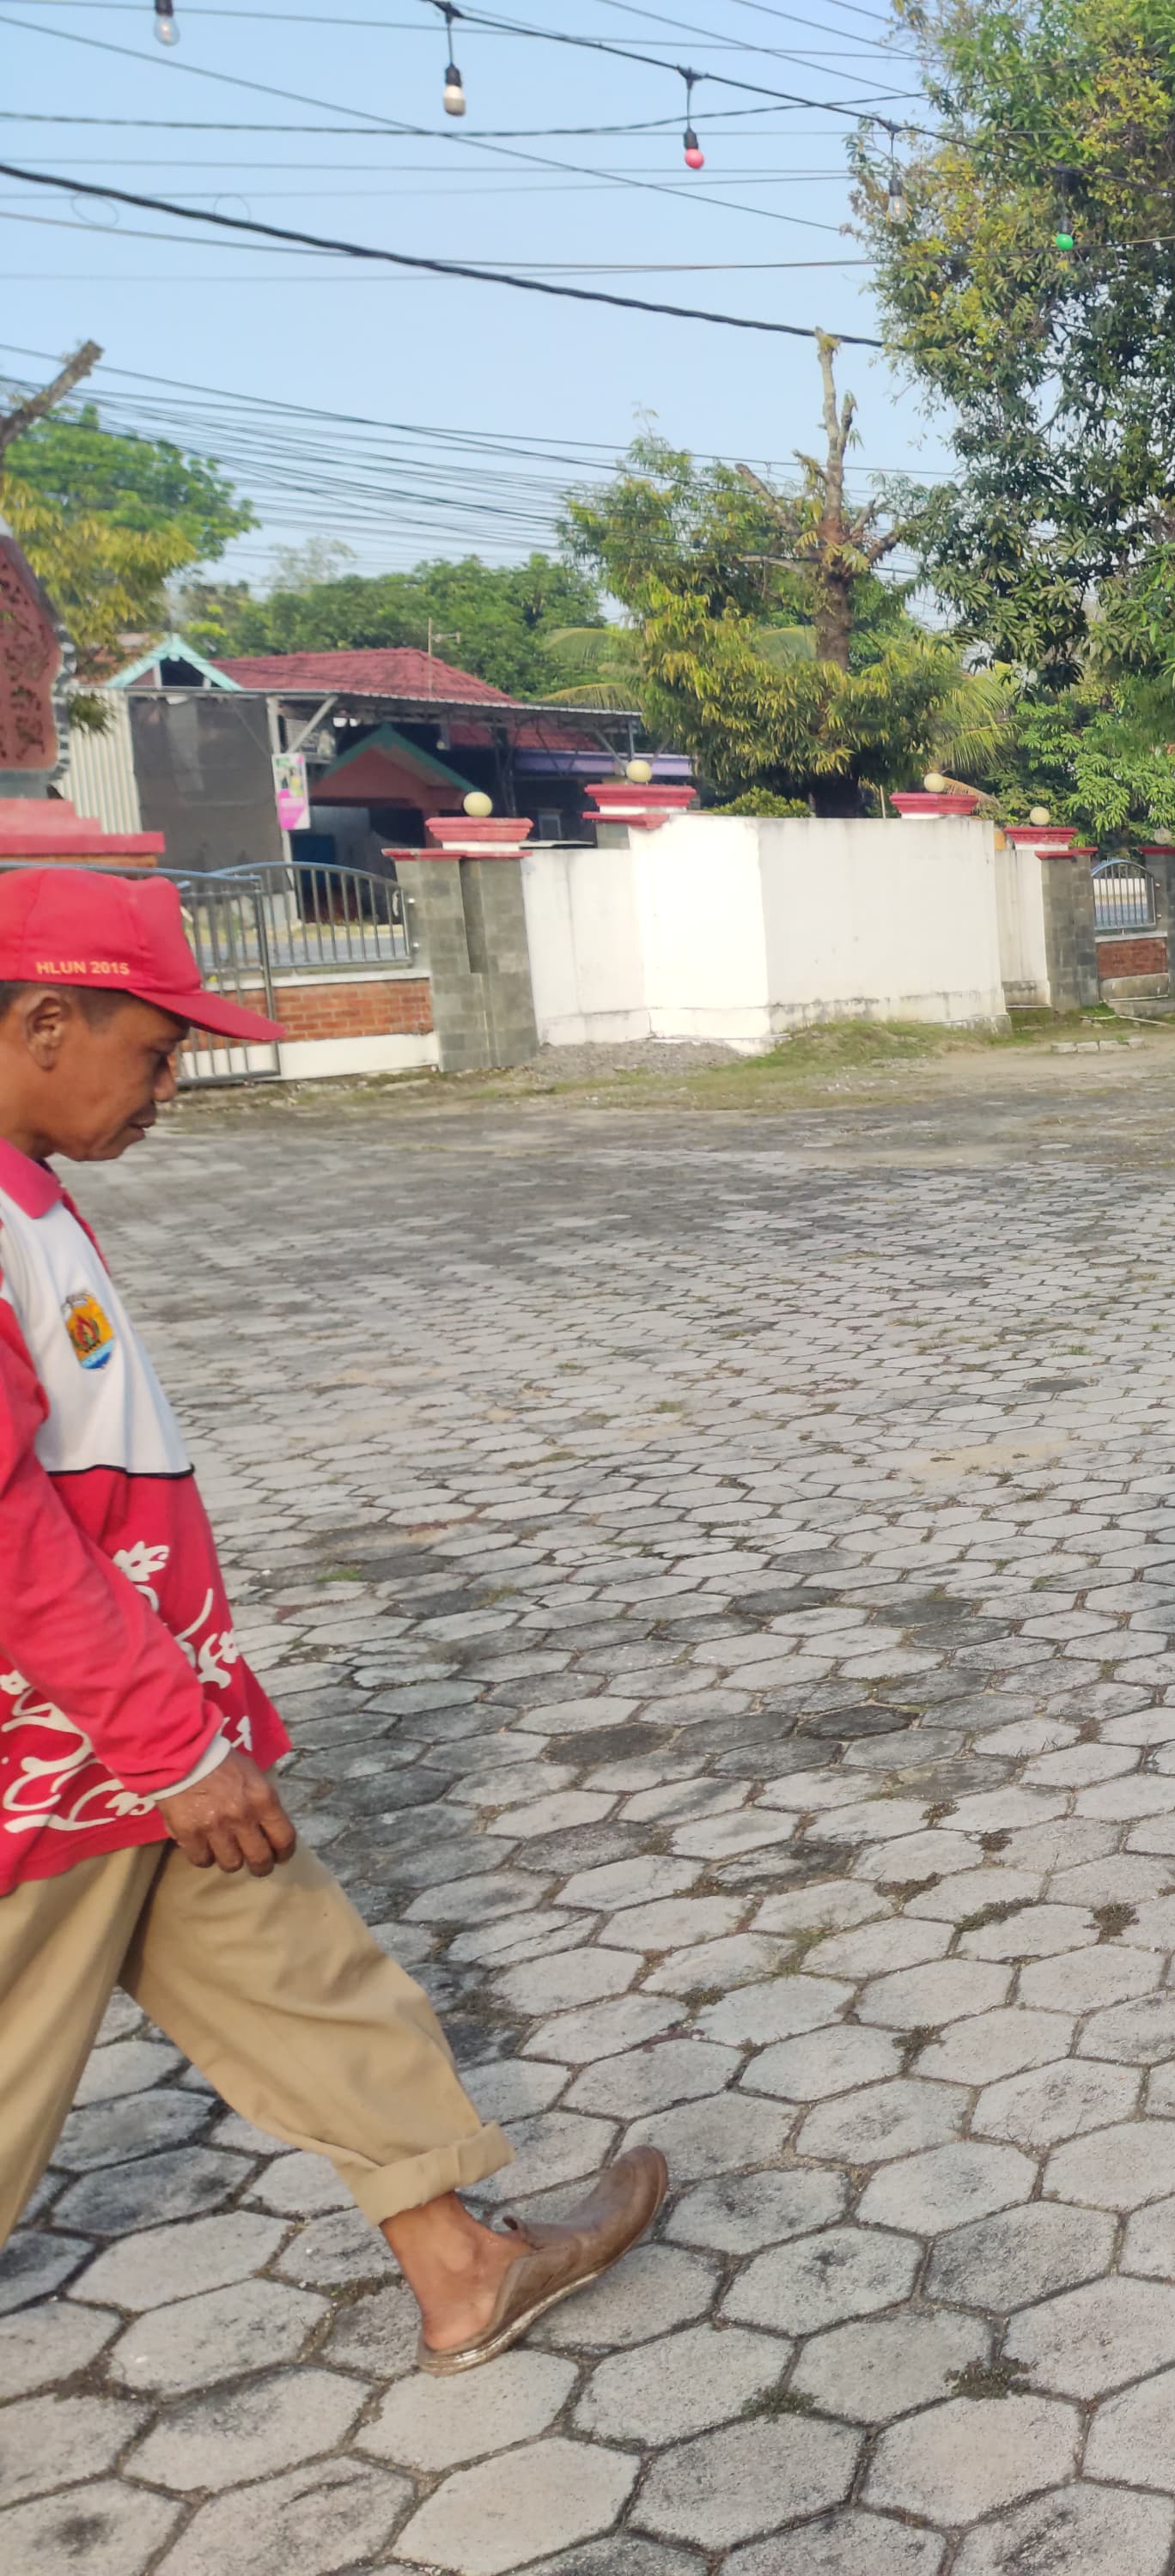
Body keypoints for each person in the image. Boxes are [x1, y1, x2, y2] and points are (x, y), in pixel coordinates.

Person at [0, 870, 666, 2375]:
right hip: (56, 1764)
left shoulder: (24, 1192)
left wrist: (184, 1734)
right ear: (44, 1023)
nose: (168, 1087)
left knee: (300, 1966)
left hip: (137, 1741)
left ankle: (461, 2266)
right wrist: (171, 1743)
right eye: (154, 1051)